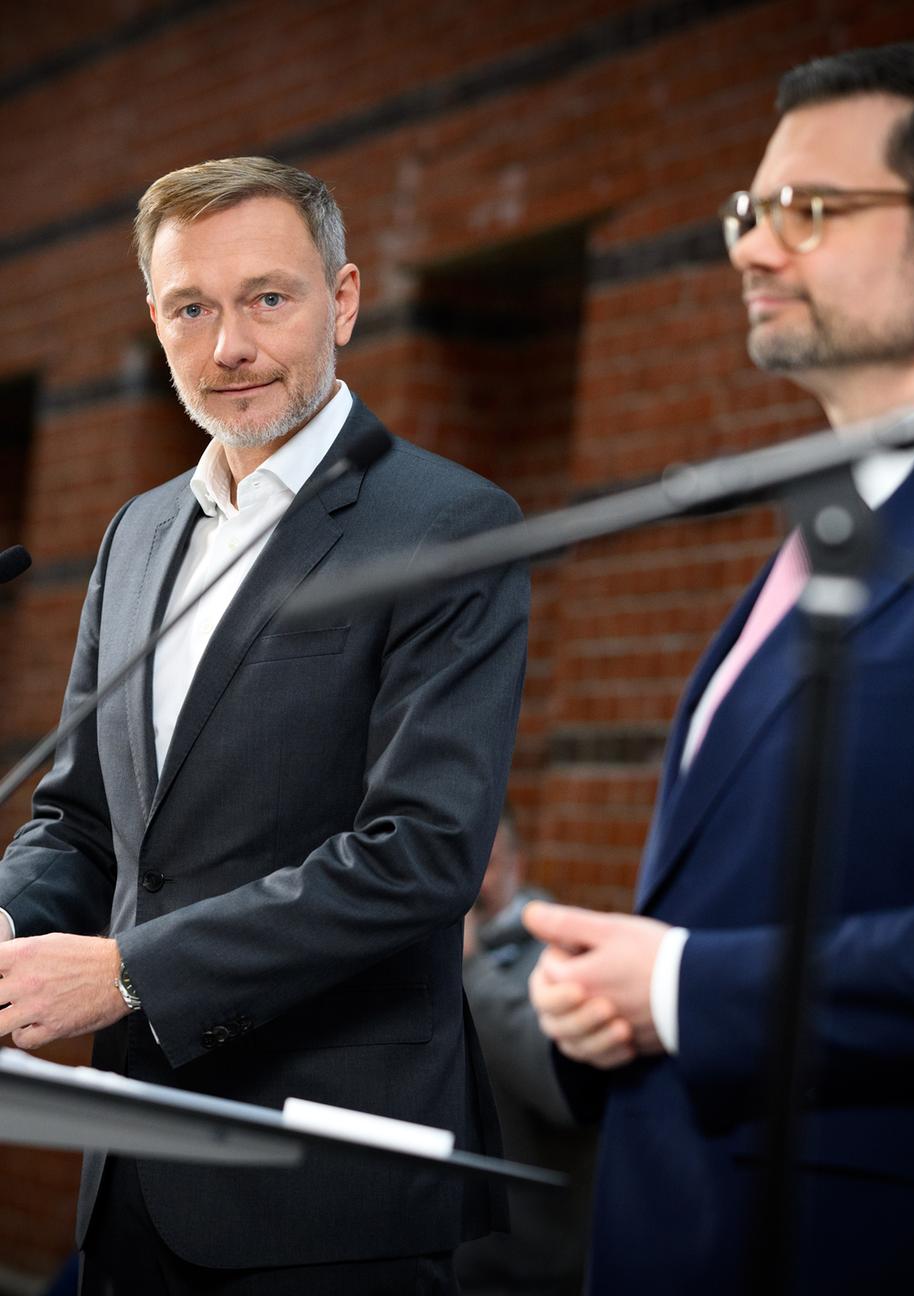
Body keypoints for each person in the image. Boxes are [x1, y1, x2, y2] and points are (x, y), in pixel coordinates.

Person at [524, 42, 914, 1296]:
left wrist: (689, 989)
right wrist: (618, 997)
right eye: (751, 212)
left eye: (810, 211)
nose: (754, 248)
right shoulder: (825, 536)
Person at [0, 157, 529, 1294]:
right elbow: (83, 819)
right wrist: (6, 932)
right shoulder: (135, 536)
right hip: (133, 1168)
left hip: (330, 1179)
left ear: (341, 301)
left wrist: (129, 972)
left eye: (267, 299)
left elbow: (422, 857)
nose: (228, 344)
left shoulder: (451, 526)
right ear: (155, 319)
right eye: (192, 307)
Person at [455, 814, 597, 1296]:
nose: (475, 882)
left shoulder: (562, 959)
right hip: (450, 1250)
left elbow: (557, 1080)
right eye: (462, 864)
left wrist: (470, 967)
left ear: (519, 865)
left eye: (488, 864)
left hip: (531, 1260)